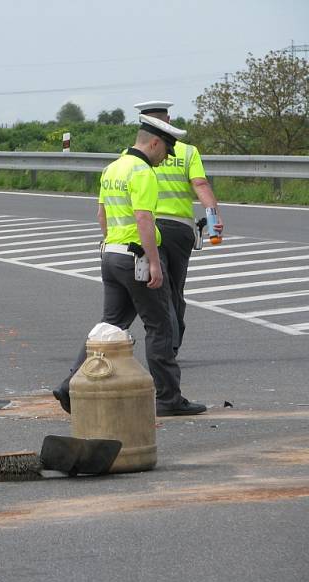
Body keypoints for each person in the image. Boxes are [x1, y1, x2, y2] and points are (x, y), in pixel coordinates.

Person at [52, 115, 207, 417]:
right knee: (160, 326)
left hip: (111, 254)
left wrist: (112, 244)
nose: (166, 159)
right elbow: (144, 219)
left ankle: (70, 384)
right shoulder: (142, 171)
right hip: (135, 257)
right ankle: (168, 398)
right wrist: (154, 262)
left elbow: (101, 215)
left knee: (110, 324)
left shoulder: (113, 168)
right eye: (166, 151)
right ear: (154, 143)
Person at [134, 101, 224, 355]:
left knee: (158, 287)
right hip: (179, 231)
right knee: (176, 288)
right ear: (169, 121)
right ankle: (173, 340)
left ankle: (166, 340)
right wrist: (214, 218)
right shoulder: (186, 151)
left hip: (148, 228)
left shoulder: (132, 154)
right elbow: (201, 185)